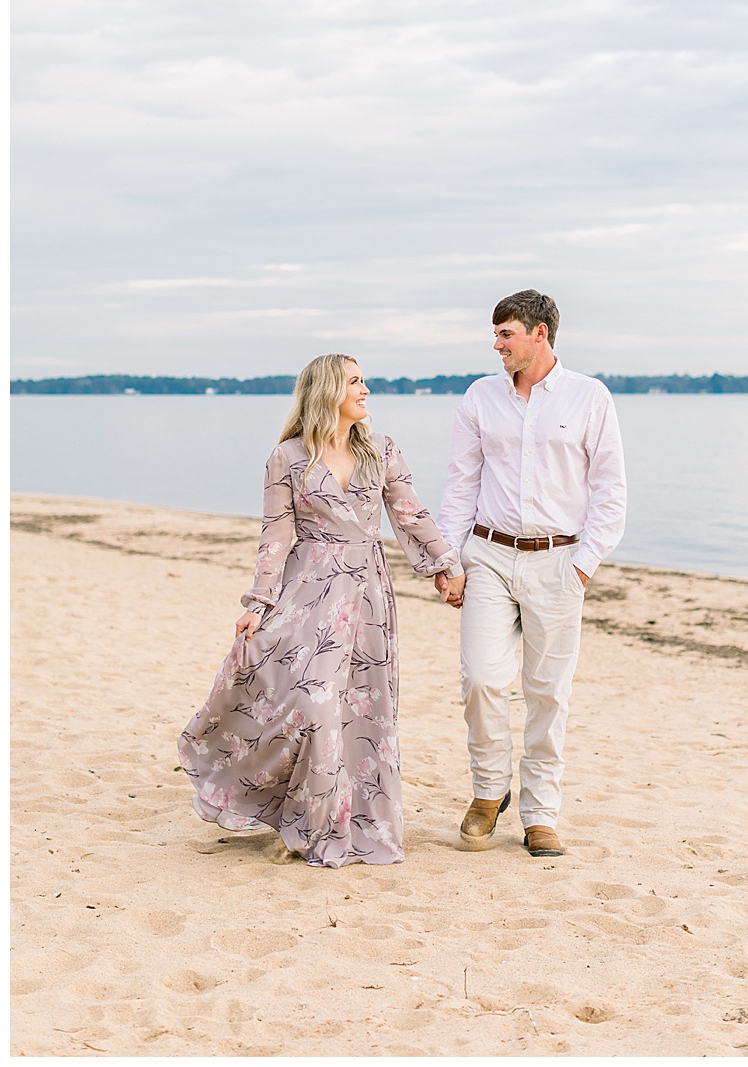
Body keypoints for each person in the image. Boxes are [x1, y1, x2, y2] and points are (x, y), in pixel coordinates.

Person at [176, 354, 463, 867]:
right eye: (356, 381)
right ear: (329, 389)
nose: (367, 390)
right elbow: (276, 534)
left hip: (366, 593)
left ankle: (343, 822)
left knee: (361, 710)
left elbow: (409, 513)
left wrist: (444, 562)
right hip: (305, 593)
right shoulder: (286, 457)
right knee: (310, 707)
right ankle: (307, 817)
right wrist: (259, 601)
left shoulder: (381, 448)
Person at [436, 289, 627, 859]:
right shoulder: (479, 398)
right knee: (482, 680)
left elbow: (609, 489)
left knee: (548, 694)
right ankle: (489, 791)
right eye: (495, 335)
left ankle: (541, 814)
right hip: (489, 556)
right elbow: (461, 485)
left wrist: (584, 566)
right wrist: (449, 562)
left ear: (539, 334)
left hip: (559, 562)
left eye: (506, 335)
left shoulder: (589, 397)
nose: (497, 345)